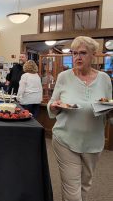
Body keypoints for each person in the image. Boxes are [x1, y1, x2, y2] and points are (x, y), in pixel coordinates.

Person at [47, 36, 112, 201]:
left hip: (93, 142)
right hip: (65, 139)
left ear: (93, 55)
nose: (77, 57)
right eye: (74, 53)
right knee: (72, 189)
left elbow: (109, 108)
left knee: (85, 184)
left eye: (82, 53)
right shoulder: (64, 77)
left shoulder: (104, 79)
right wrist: (53, 106)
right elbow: (52, 104)